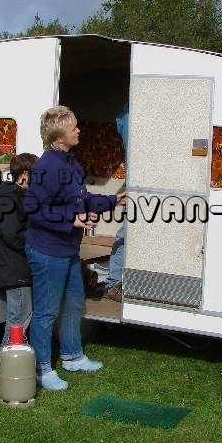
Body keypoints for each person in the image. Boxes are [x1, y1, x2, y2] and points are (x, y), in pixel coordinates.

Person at [23, 105, 123, 391]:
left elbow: (81, 197)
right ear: (57, 136)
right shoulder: (46, 167)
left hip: (67, 249)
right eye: (73, 127)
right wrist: (71, 219)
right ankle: (41, 369)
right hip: (46, 251)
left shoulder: (70, 163)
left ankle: (72, 356)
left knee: (75, 303)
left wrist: (113, 202)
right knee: (46, 311)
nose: (79, 130)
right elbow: (33, 210)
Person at [0, 152, 38, 349]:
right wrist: (35, 245)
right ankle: (8, 360)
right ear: (24, 174)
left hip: (16, 266)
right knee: (19, 316)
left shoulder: (18, 195)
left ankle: (11, 359)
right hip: (14, 267)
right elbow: (10, 233)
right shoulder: (8, 198)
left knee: (20, 314)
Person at [104, 102, 129, 302]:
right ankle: (113, 284)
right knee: (127, 234)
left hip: (135, 183)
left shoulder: (125, 117)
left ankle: (114, 282)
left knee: (127, 233)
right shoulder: (131, 116)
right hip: (138, 184)